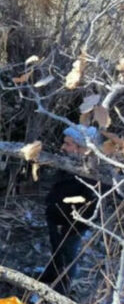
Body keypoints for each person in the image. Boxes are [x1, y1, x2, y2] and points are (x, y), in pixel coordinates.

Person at [38, 125, 101, 293]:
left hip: (70, 225)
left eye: (68, 144)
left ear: (84, 149)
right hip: (56, 217)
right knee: (56, 251)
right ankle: (49, 277)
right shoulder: (69, 162)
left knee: (67, 256)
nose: (63, 148)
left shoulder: (93, 174)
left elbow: (90, 205)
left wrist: (71, 227)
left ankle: (60, 292)